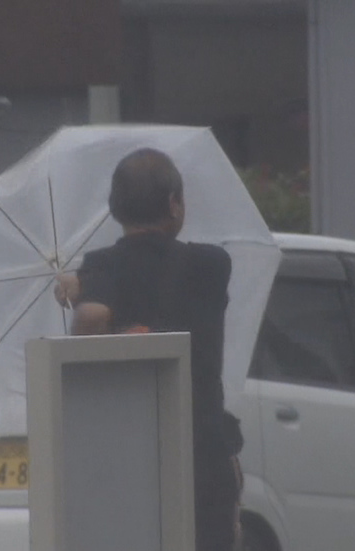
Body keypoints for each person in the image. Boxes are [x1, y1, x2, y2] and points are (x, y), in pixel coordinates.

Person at [55, 148, 243, 551]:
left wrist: (85, 285)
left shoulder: (101, 267)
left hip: (125, 459)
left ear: (115, 208)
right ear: (174, 203)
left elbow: (91, 318)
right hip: (202, 454)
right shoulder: (212, 264)